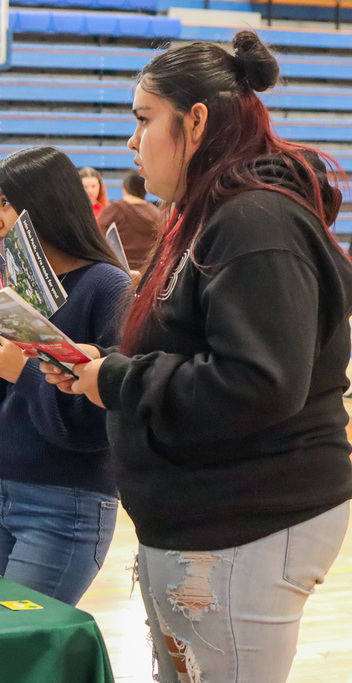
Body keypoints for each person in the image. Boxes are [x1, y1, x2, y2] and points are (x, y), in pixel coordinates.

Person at [43, 32, 352, 682]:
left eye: (143, 119)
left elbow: (259, 381)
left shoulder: (255, 221)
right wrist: (100, 366)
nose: (132, 141)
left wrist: (119, 378)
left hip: (248, 519)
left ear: (197, 121)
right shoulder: (205, 216)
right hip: (204, 519)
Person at [0, 146, 132, 606]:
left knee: (19, 642)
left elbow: (93, 427)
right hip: (0, 491)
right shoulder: (13, 287)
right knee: (10, 644)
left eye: (5, 204)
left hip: (66, 503)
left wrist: (21, 370)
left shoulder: (108, 288)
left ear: (45, 204)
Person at [97, 169, 160, 270]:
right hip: (147, 273)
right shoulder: (156, 214)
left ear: (124, 188)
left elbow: (99, 240)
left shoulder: (112, 210)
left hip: (119, 272)